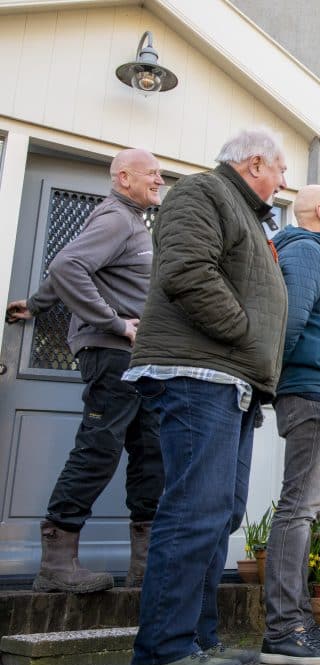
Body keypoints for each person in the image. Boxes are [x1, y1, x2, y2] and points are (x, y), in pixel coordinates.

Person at [124, 127, 289, 665]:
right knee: (194, 510)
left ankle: (196, 641)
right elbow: (187, 272)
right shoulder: (202, 192)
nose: (283, 180)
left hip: (231, 382)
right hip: (198, 374)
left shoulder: (248, 216)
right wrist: (243, 332)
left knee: (219, 514)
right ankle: (161, 655)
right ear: (255, 163)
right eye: (280, 169)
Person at [5, 149, 164, 594]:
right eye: (151, 173)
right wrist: (114, 322)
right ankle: (57, 563)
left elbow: (72, 265)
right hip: (112, 352)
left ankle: (144, 567)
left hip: (139, 357)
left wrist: (37, 304)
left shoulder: (132, 221)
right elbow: (67, 265)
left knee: (150, 451)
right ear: (123, 177)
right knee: (99, 447)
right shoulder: (116, 217)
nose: (159, 179)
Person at [258, 185, 320, 665]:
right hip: (314, 392)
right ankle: (284, 629)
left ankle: (297, 619)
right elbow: (288, 322)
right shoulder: (306, 251)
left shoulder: (315, 254)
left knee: (305, 509)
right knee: (298, 510)